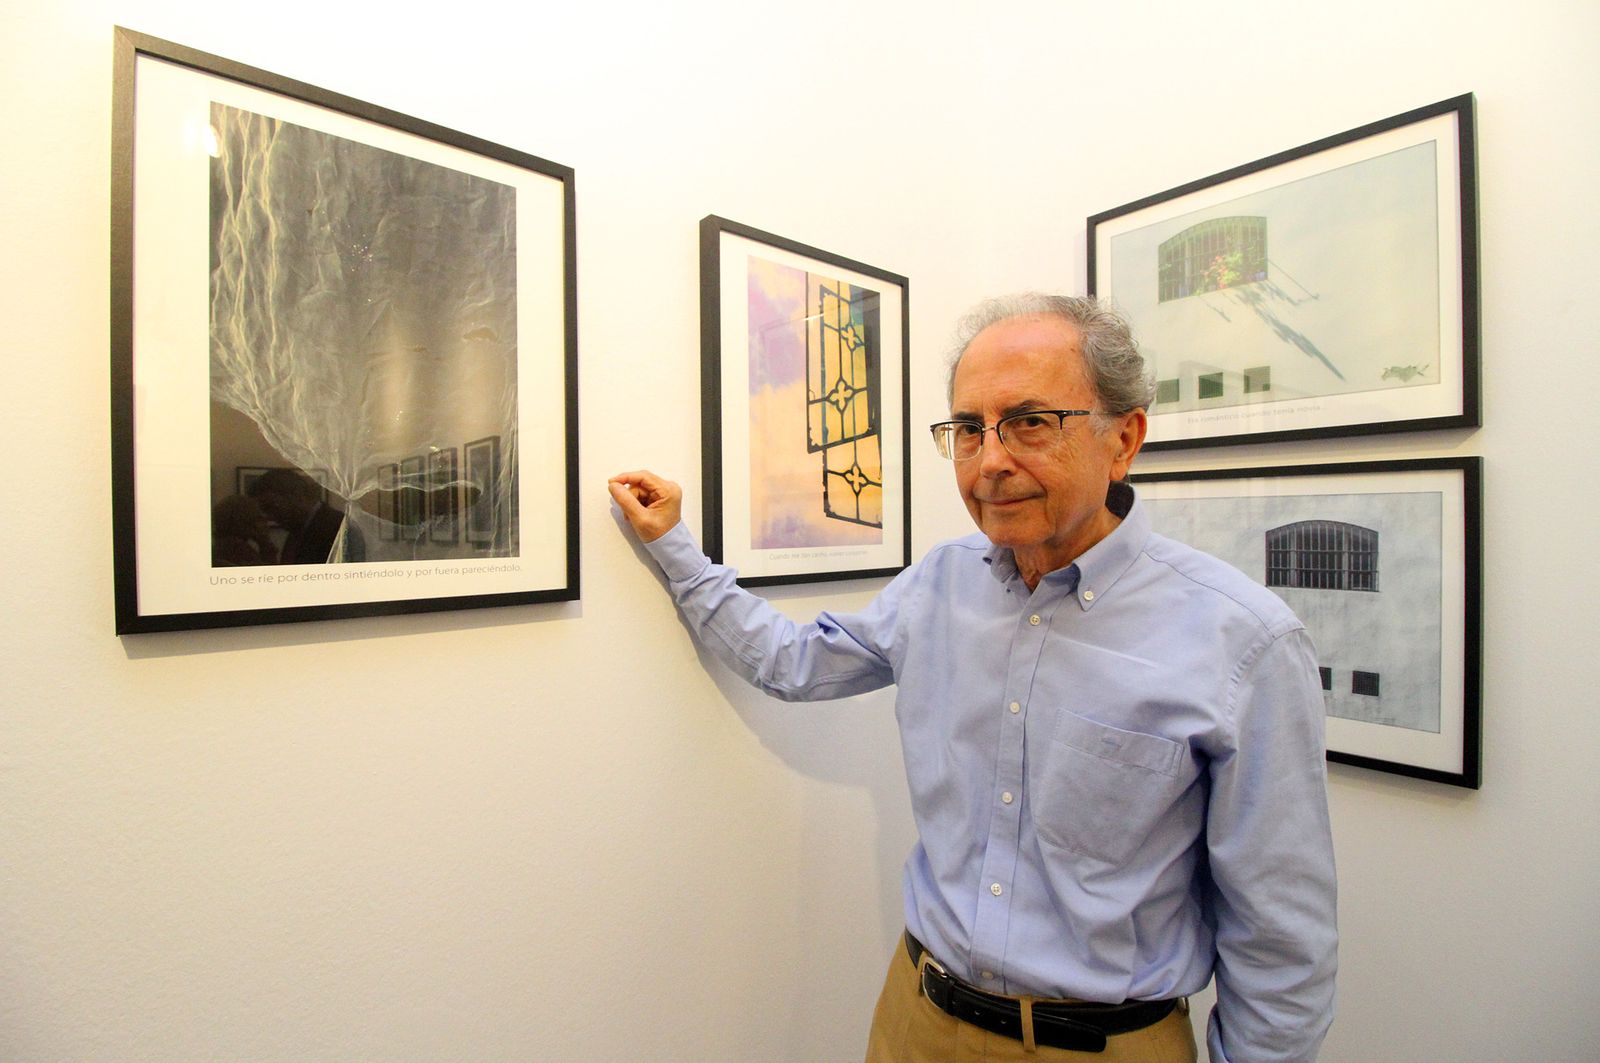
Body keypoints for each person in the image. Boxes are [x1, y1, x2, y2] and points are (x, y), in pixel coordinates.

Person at [609, 294, 1336, 1062]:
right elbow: (794, 661)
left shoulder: (1242, 641)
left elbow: (1281, 941)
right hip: (916, 1021)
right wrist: (676, 547)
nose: (989, 461)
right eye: (967, 429)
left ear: (1123, 439)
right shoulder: (940, 584)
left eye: (1030, 422)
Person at [247, 467, 365, 564]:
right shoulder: (298, 529)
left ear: (297, 495)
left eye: (270, 506)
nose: (269, 517)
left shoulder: (339, 527)